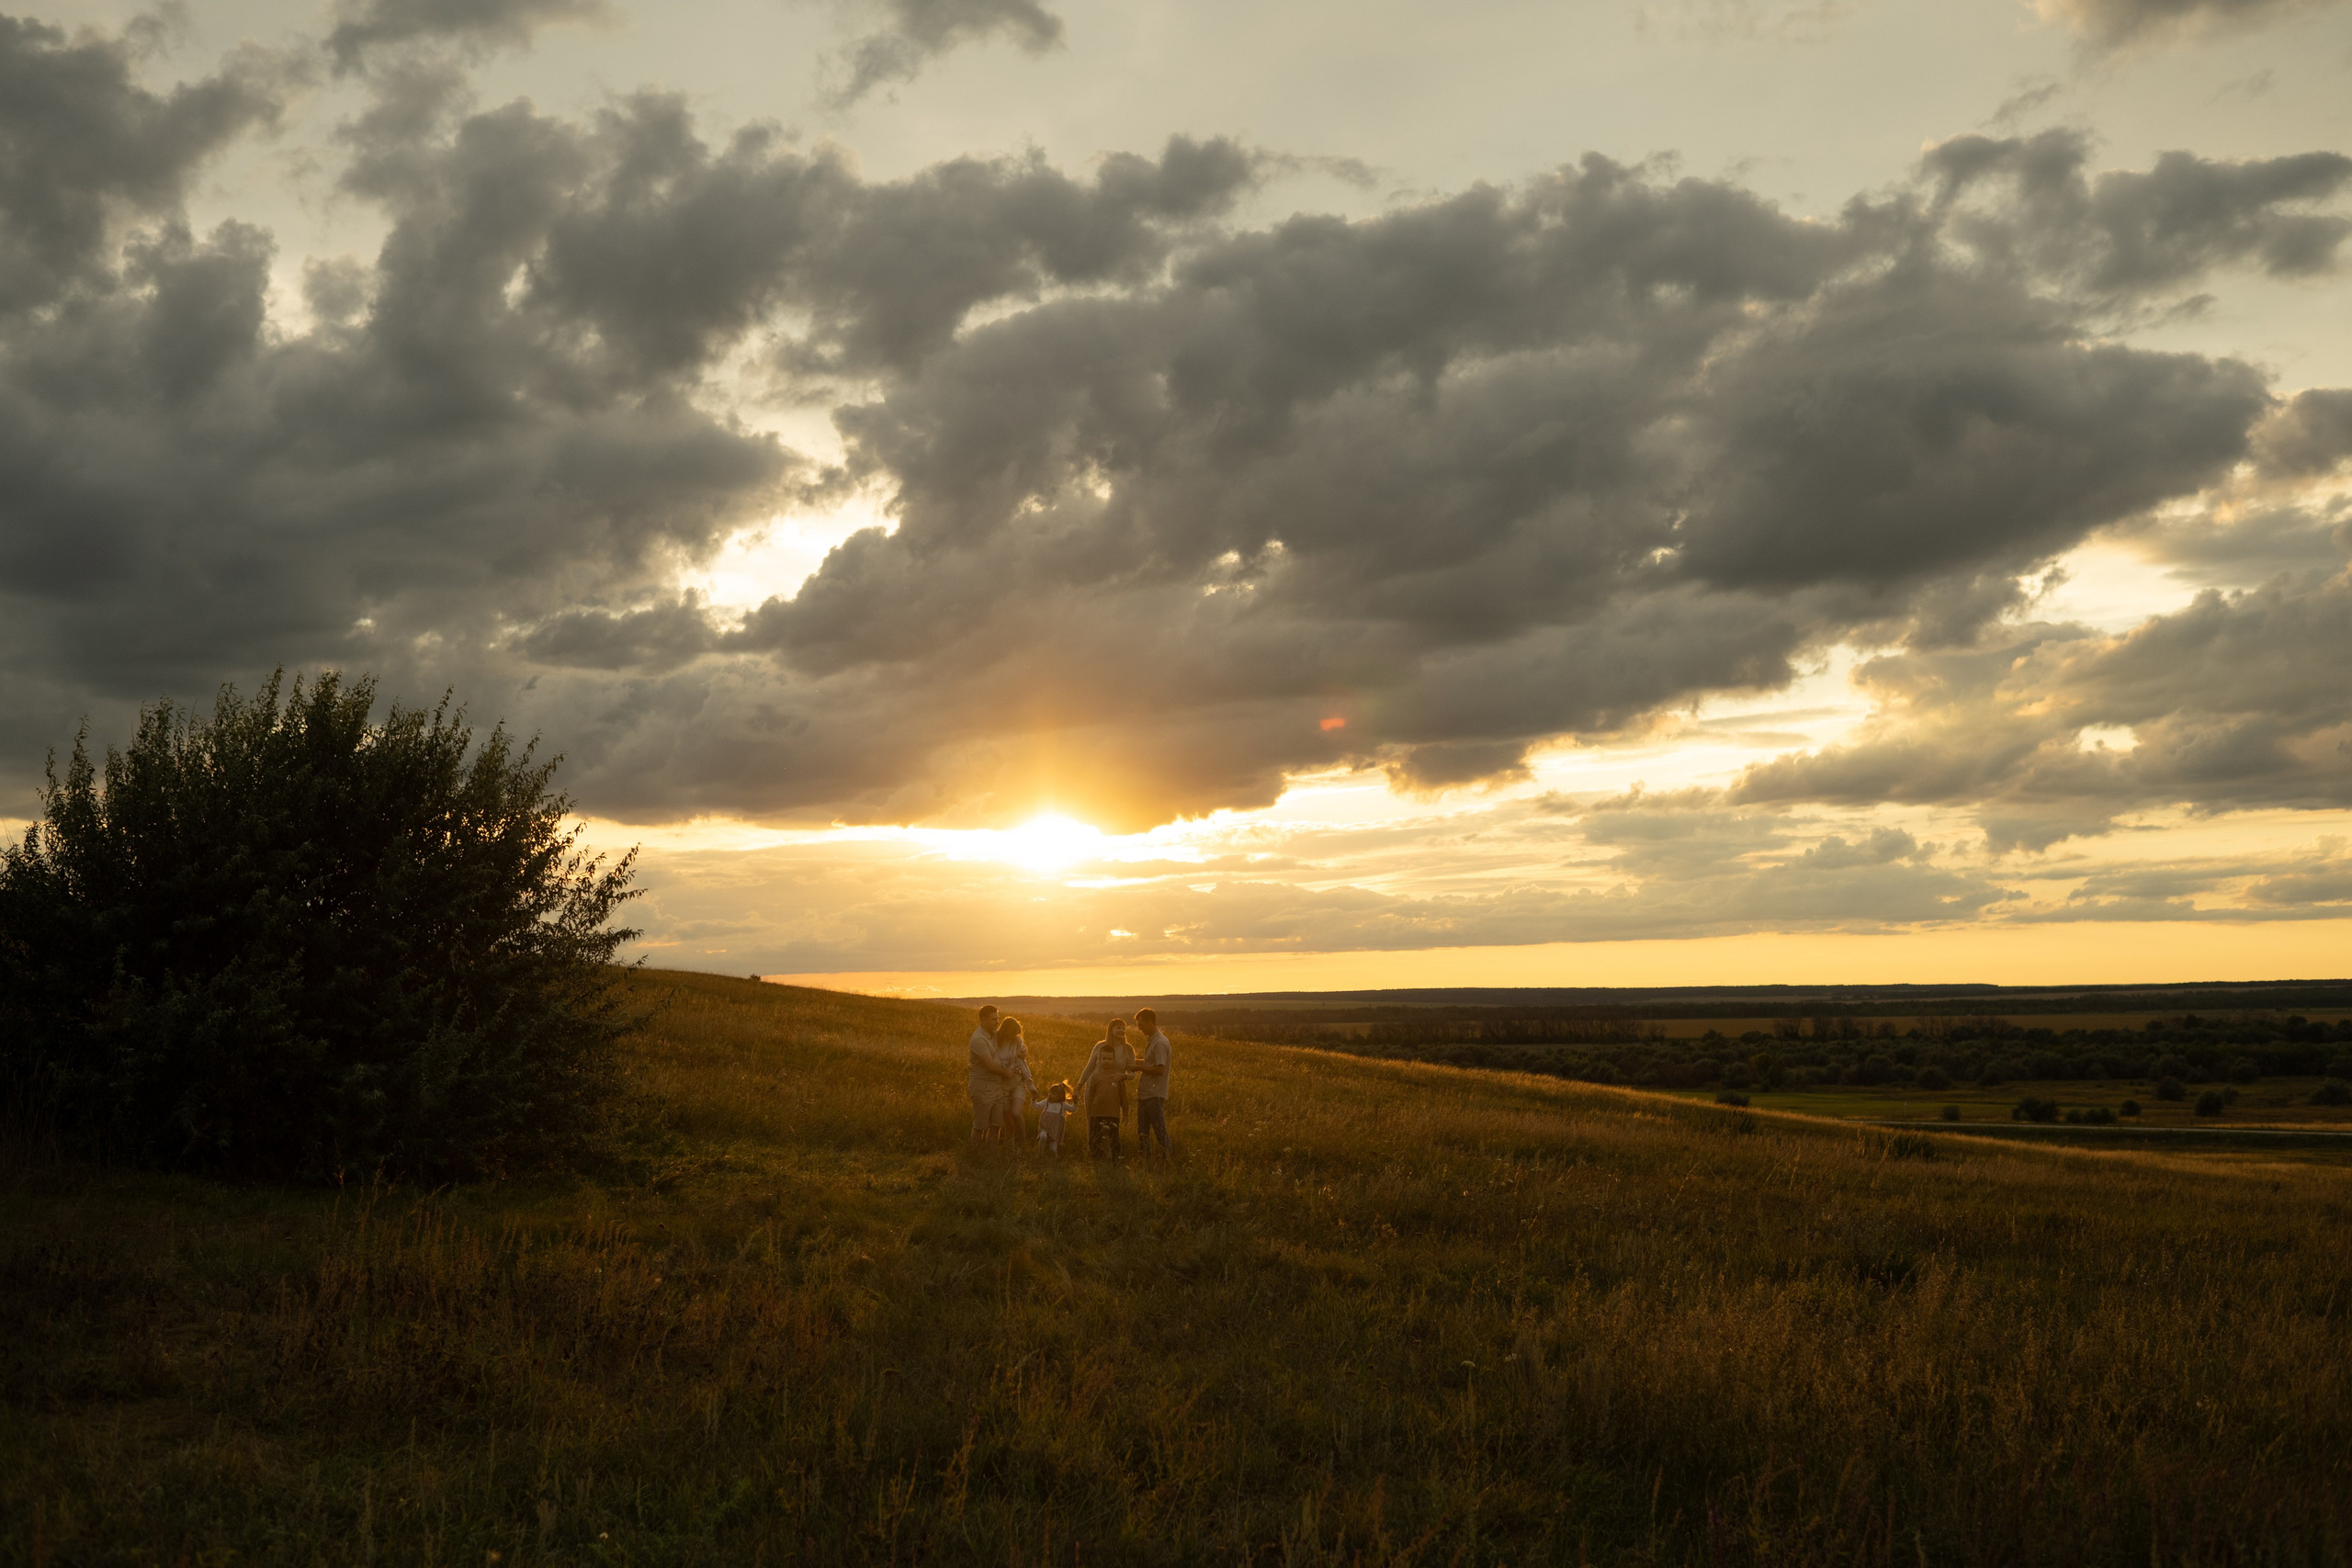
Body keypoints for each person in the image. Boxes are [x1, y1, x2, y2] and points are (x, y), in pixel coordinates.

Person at [1078, 1017, 1136, 1160]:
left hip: (1114, 1090)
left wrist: (1122, 1076)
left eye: (1123, 1028)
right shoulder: (1100, 1046)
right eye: (1118, 1027)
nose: (1122, 1030)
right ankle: (1093, 1153)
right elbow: (1089, 1067)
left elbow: (1133, 1074)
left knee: (1111, 1123)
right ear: (1111, 1030)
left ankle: (1111, 1155)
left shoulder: (1128, 1049)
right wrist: (1078, 1086)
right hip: (1095, 1087)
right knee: (1093, 1122)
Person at [967, 1005, 1015, 1143]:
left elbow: (1012, 1038)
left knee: (996, 1125)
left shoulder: (994, 1033)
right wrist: (1006, 1072)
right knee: (980, 1126)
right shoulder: (979, 1039)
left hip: (996, 1087)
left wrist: (1023, 1051)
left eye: (998, 1018)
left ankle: (991, 1156)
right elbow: (990, 1065)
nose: (997, 1022)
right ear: (983, 1020)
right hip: (982, 1087)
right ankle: (974, 1156)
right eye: (994, 1019)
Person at [1133, 1008, 1172, 1159]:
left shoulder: (1160, 1042)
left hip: (1154, 1094)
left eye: (1141, 1024)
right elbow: (1151, 1062)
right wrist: (1132, 1061)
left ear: (1150, 1022)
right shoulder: (1153, 1040)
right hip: (1145, 1093)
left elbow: (1159, 1069)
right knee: (1142, 1132)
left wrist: (1137, 1067)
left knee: (1159, 1131)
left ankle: (1168, 1160)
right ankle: (1145, 1160)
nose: (1139, 1028)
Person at [995, 1015, 1035, 1144]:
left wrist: (1031, 1086)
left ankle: (1023, 1143)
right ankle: (1009, 1149)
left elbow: (1023, 1064)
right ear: (1006, 1031)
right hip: (1002, 1085)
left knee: (1016, 1113)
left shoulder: (1017, 1042)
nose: (1015, 1036)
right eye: (1013, 1033)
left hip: (1017, 1082)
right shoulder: (995, 1039)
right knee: (1008, 1122)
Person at [1035, 1081, 1077, 1153]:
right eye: (1050, 1092)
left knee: (1053, 1149)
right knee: (1043, 1136)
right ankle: (1040, 1153)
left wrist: (1075, 1102)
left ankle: (1053, 1159)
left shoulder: (1063, 1105)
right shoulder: (1046, 1102)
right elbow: (1036, 1106)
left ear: (1060, 1096)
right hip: (1044, 1127)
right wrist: (1033, 1099)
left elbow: (1073, 1109)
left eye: (1053, 1093)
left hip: (1055, 1131)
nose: (1050, 1095)